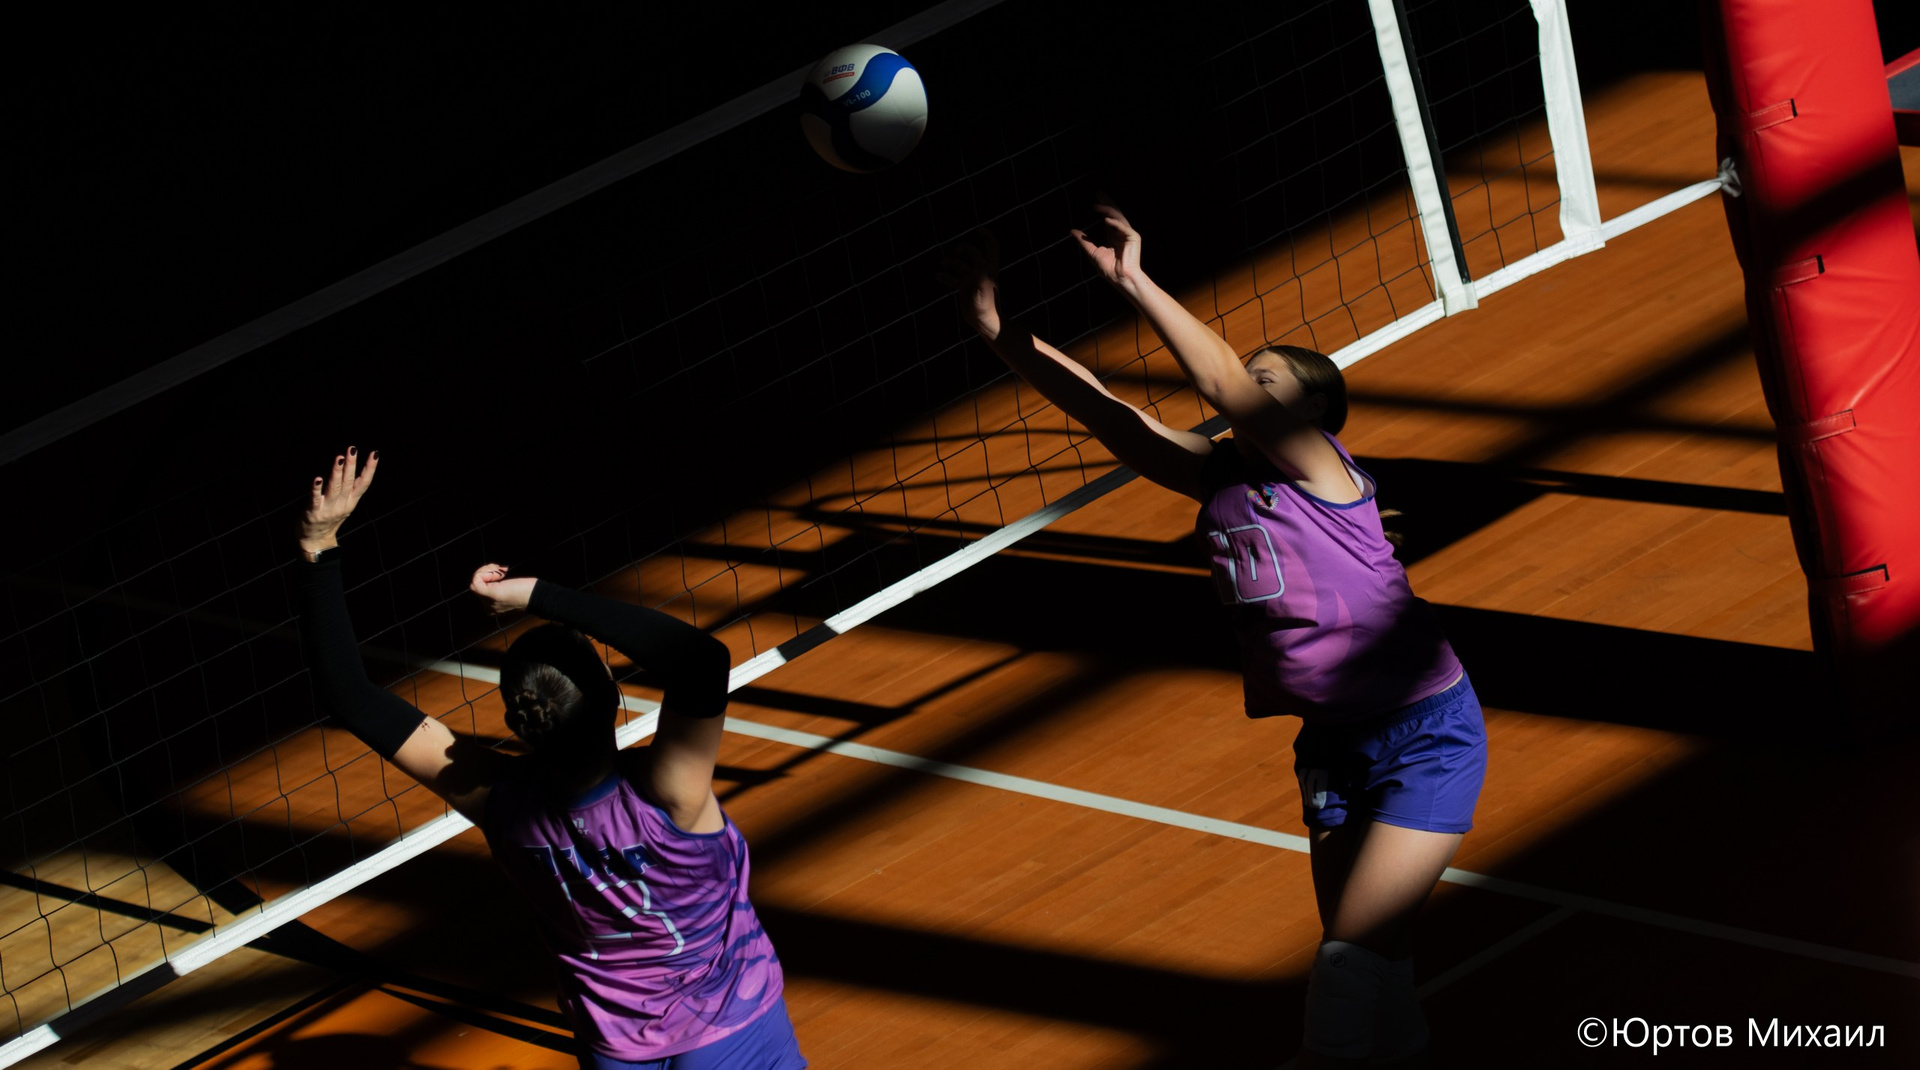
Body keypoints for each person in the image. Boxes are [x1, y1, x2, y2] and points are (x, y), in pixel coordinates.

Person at [940, 208, 1486, 1068]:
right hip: (1332, 744)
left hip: (1424, 733)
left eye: (1268, 382)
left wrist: (1133, 281)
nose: (1246, 389)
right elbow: (1106, 412)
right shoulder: (1218, 476)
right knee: (1372, 962)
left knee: (1346, 967)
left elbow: (1222, 379)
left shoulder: (1323, 470)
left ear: (1313, 411)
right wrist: (997, 331)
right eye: (1251, 377)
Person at [292, 447, 806, 1070]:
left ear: (520, 722)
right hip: (732, 1031)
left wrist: (319, 546)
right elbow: (701, 661)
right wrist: (533, 594)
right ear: (613, 698)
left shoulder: (501, 802)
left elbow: (351, 698)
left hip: (616, 1054)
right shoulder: (672, 796)